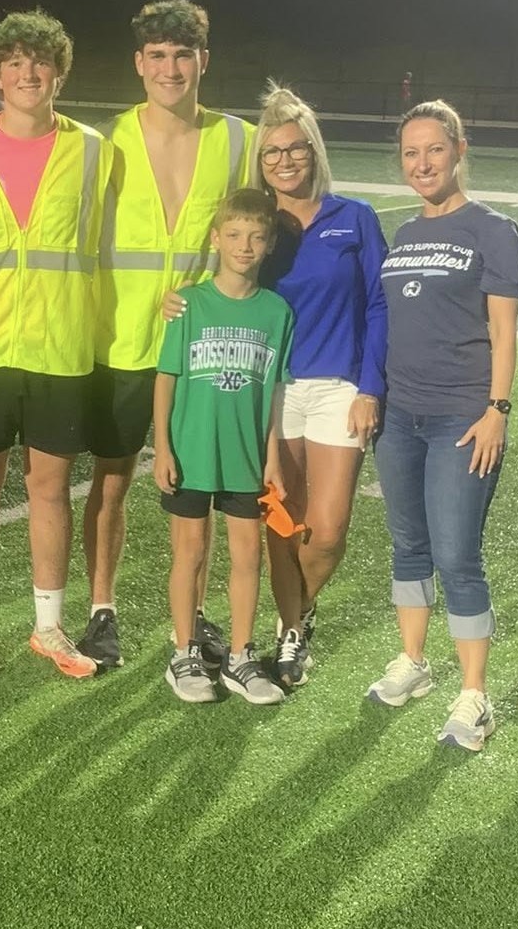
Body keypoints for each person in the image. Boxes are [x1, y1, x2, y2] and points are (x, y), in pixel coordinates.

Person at [0, 10, 113, 681]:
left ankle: (47, 624)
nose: (28, 73)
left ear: (59, 72)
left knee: (50, 489)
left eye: (41, 62)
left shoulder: (96, 150)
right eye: (14, 61)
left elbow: (115, 244)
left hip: (60, 346)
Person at [83, 0, 254, 671]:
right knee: (113, 481)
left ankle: (198, 611)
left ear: (203, 61)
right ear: (138, 63)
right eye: (157, 55)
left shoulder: (236, 139)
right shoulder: (107, 142)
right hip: (121, 341)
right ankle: (102, 608)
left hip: (203, 348)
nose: (170, 67)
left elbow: (248, 235)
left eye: (183, 54)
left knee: (202, 487)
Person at [367, 100, 518, 753]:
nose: (422, 163)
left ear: (459, 150)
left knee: (458, 555)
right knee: (409, 545)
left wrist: (498, 409)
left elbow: (504, 330)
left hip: (463, 416)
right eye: (410, 153)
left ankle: (475, 693)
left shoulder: (492, 229)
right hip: (400, 416)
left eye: (434, 149)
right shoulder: (402, 235)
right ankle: (414, 662)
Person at [252, 83, 387, 685]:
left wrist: (371, 387)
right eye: (272, 151)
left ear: (315, 152)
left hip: (339, 387)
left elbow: (381, 305)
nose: (285, 160)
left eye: (295, 148)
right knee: (284, 520)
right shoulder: (256, 223)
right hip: (272, 389)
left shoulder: (354, 217)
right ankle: (290, 636)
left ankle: (297, 613)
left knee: (327, 530)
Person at [154, 190, 293, 704]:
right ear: (215, 238)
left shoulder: (277, 312)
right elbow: (165, 378)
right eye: (234, 235)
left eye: (257, 237)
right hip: (191, 451)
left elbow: (274, 391)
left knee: (247, 556)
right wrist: (163, 447)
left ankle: (239, 656)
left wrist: (273, 455)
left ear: (270, 244)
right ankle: (185, 651)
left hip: (245, 456)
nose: (244, 246)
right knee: (188, 554)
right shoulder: (188, 303)